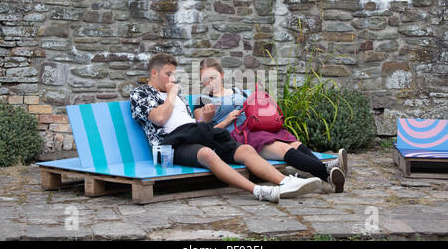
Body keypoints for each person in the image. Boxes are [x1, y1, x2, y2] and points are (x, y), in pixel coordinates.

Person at [129, 53, 322, 203]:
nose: (173, 80)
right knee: (207, 154)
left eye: (174, 75)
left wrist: (205, 120)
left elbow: (194, 125)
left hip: (194, 134)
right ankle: (258, 190)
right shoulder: (140, 94)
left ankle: (285, 182)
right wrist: (171, 94)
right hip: (170, 144)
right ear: (154, 73)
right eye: (168, 74)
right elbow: (160, 119)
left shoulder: (176, 96)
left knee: (245, 149)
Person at [194, 57, 348, 193]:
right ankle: (326, 172)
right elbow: (201, 132)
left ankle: (328, 169)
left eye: (212, 77)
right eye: (205, 80)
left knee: (294, 143)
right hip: (239, 137)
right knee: (282, 148)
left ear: (221, 75)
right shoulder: (202, 101)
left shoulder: (239, 92)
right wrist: (226, 120)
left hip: (257, 127)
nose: (209, 83)